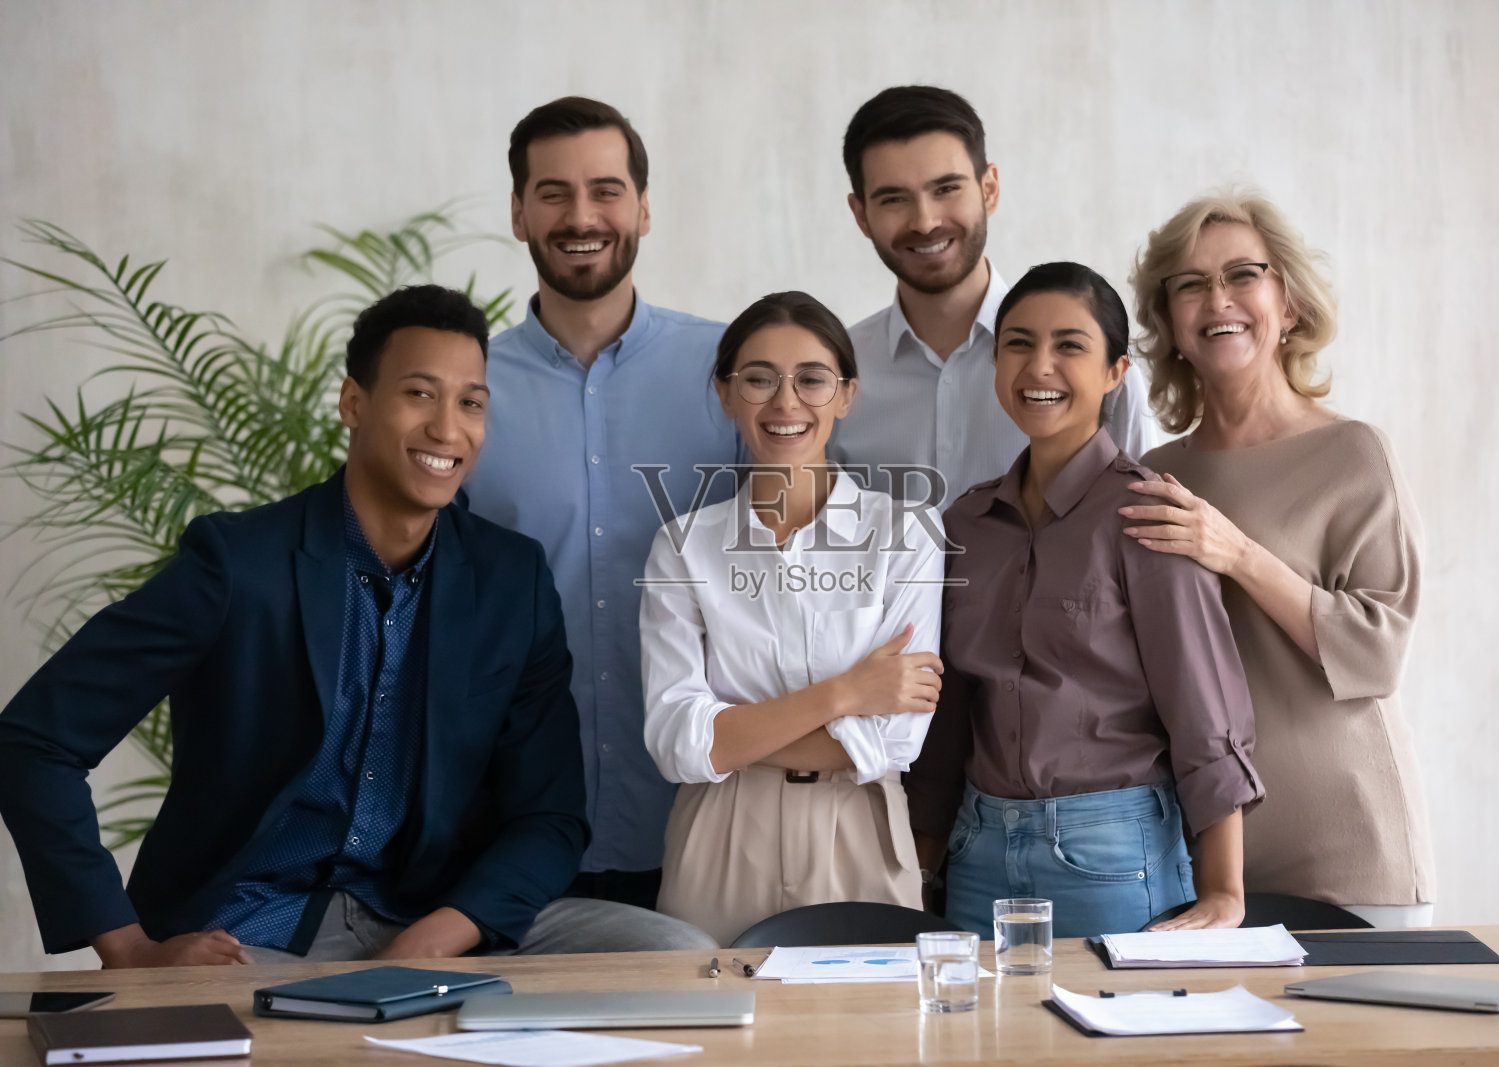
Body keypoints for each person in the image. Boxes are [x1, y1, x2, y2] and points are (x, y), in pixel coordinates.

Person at [0, 285, 713, 965]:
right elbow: (35, 740)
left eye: (471, 402)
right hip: (253, 930)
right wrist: (126, 947)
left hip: (439, 916)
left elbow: (550, 817)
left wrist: (435, 939)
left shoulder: (510, 581)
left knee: (679, 957)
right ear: (353, 402)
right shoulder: (239, 564)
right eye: (419, 393)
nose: (446, 427)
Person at [906, 263, 1264, 938]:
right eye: (1017, 343)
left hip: (1114, 853)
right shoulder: (964, 524)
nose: (1038, 365)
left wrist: (1224, 890)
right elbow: (948, 714)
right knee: (974, 1044)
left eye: (1069, 345)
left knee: (1109, 1041)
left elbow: (1203, 705)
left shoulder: (1149, 513)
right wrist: (923, 865)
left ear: (1114, 371)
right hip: (976, 851)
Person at [1126, 190, 1436, 927]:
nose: (1217, 299)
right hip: (1203, 861)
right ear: (1169, 319)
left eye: (1242, 274)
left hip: (1350, 845)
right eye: (1191, 283)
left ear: (1288, 301)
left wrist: (1234, 551)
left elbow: (1378, 651)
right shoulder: (1153, 473)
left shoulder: (1353, 453)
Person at [463, 97, 740, 912]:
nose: (581, 216)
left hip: (707, 815)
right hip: (510, 820)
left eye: (607, 190)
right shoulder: (465, 391)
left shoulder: (732, 372)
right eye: (552, 193)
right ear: (518, 213)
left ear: (644, 208)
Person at [639, 291, 945, 946]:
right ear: (725, 393)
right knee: (715, 1039)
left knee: (870, 1042)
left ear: (847, 394)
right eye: (759, 378)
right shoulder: (683, 544)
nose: (785, 403)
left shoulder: (906, 533)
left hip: (859, 828)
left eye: (812, 379)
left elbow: (897, 739)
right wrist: (845, 694)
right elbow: (674, 739)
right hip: (719, 834)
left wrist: (731, 735)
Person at [831, 85, 1157, 508]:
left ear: (989, 189)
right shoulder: (830, 375)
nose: (926, 222)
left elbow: (1143, 526)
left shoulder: (1101, 366)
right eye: (894, 199)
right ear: (861, 215)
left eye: (946, 189)